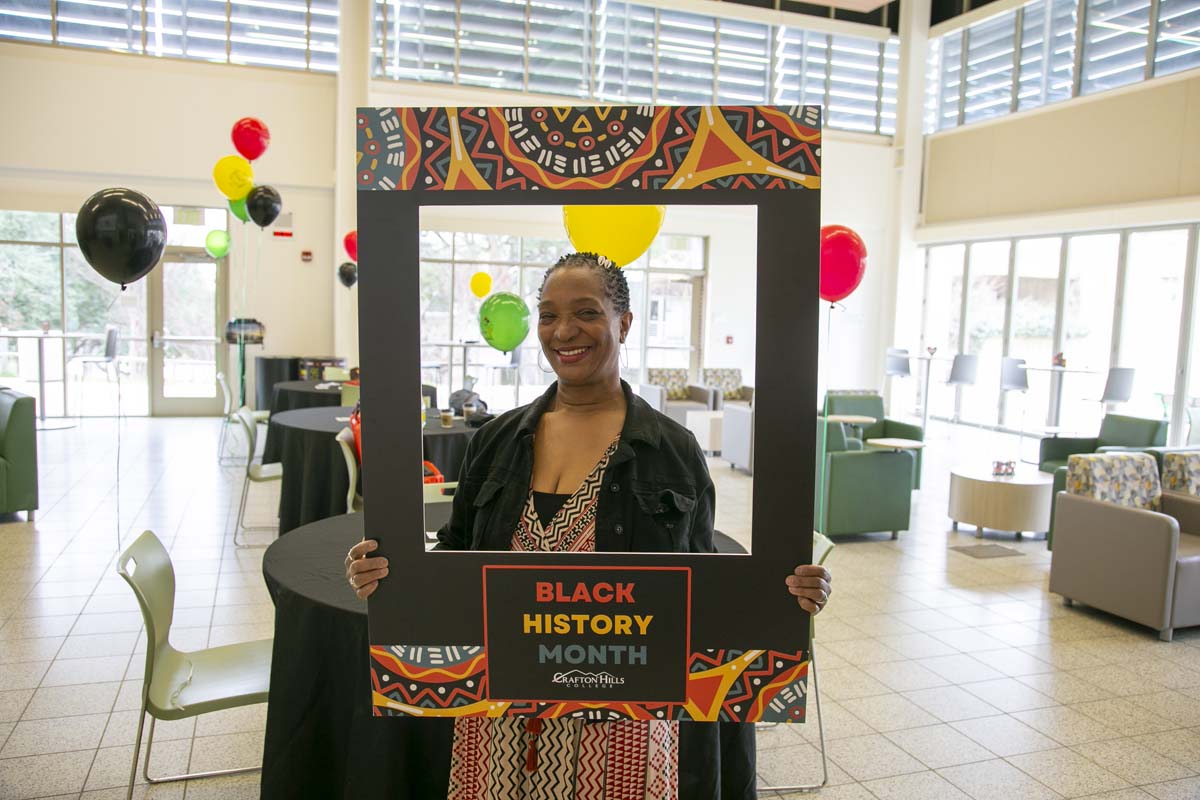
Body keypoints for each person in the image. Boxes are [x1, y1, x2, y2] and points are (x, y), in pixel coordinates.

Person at [345, 252, 832, 799]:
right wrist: (388, 576)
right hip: (498, 723)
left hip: (626, 725)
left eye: (586, 312)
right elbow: (455, 556)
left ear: (623, 323)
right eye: (548, 315)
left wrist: (786, 595)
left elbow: (703, 590)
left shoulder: (672, 451)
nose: (564, 331)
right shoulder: (494, 441)